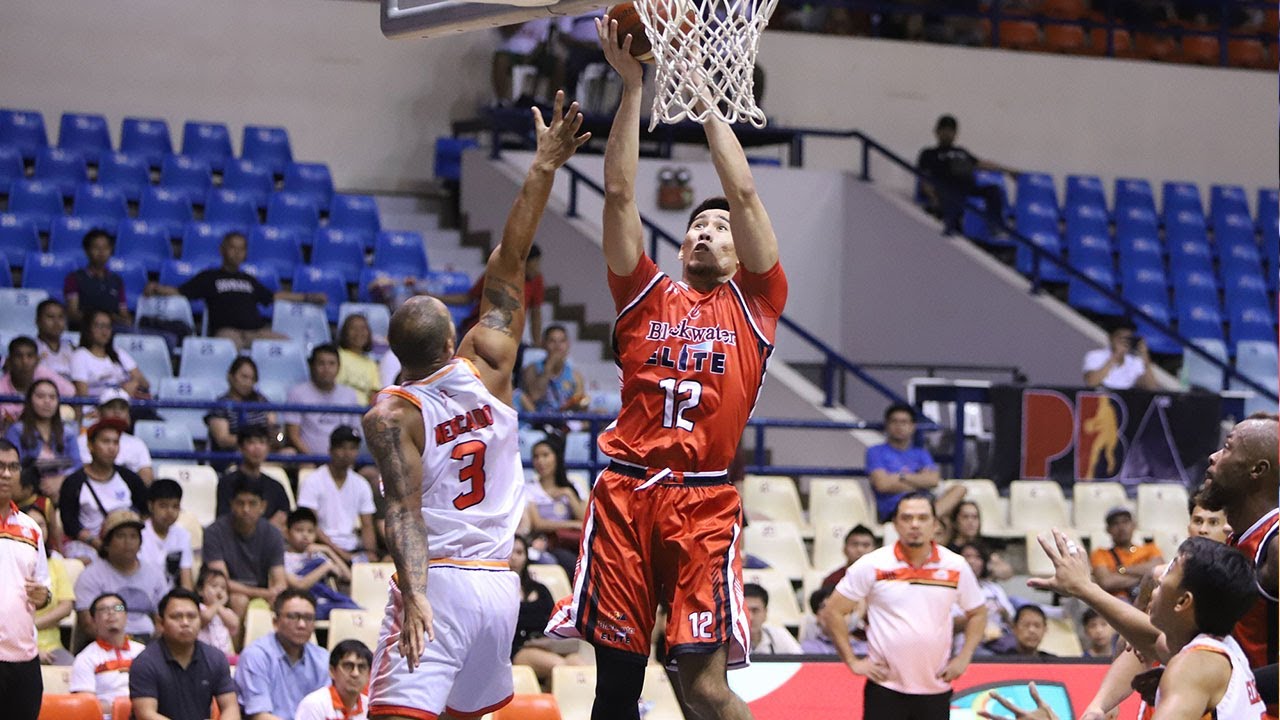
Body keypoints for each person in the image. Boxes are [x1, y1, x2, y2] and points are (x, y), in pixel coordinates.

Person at [544, 19, 787, 720]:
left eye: (716, 229)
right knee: (616, 688)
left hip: (702, 503)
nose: (704, 231)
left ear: (740, 253)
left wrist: (704, 95)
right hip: (626, 494)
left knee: (703, 688)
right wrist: (632, 89)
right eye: (694, 228)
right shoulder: (644, 294)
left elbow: (742, 196)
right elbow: (619, 196)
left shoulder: (757, 304)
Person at [361, 91, 587, 720]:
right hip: (499, 583)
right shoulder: (489, 364)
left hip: (444, 577)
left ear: (396, 353)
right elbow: (510, 259)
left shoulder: (391, 414)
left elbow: (403, 513)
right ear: (450, 338)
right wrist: (544, 166)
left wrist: (415, 594)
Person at [819, 492, 986, 719]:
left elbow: (977, 612)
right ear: (895, 524)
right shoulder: (872, 564)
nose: (914, 524)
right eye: (907, 518)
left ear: (935, 525)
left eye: (922, 518)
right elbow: (833, 611)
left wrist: (965, 656)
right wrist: (852, 661)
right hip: (885, 688)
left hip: (936, 687)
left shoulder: (956, 566)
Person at [146, 231, 325, 350]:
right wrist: (157, 288)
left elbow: (273, 296)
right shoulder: (209, 277)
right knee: (227, 348)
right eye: (233, 247)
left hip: (257, 332)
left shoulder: (248, 279)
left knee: (288, 346)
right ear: (222, 250)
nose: (237, 253)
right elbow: (181, 292)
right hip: (227, 332)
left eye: (242, 249)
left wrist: (307, 297)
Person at [0, 438, 52, 720]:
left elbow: (44, 587)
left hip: (23, 659)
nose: (6, 474)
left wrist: (44, 596)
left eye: (12, 466)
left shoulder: (31, 528)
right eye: (0, 466)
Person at [129, 587, 240, 720]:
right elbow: (146, 714)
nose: (185, 623)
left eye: (192, 616)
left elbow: (230, 707)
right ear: (161, 622)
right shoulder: (145, 662)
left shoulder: (215, 658)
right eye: (176, 617)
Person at [74, 509, 169, 642]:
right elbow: (88, 624)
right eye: (120, 536)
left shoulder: (155, 574)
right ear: (107, 543)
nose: (128, 542)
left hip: (149, 644)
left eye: (133, 536)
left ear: (140, 543)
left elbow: (164, 617)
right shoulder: (90, 576)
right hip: (106, 644)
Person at [59, 419, 148, 561]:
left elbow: (145, 510)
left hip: (126, 543)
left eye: (115, 442)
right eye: (106, 442)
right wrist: (98, 544)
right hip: (89, 546)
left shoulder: (129, 478)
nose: (112, 448)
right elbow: (70, 524)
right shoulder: (74, 482)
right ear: (90, 446)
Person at [235, 589, 330, 720]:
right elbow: (259, 716)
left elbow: (329, 710)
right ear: (275, 622)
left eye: (308, 618)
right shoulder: (256, 656)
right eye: (293, 617)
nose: (302, 624)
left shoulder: (323, 658)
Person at [203, 476, 288, 620]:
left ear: (263, 506)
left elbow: (279, 579)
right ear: (232, 505)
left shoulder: (273, 534)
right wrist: (264, 593)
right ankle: (237, 644)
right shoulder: (214, 532)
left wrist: (276, 592)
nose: (246, 509)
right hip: (226, 593)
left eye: (252, 504)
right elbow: (221, 582)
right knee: (239, 600)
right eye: (240, 503)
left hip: (263, 593)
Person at [916, 114, 1017, 233]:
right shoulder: (929, 153)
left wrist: (1007, 170)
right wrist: (933, 197)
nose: (947, 133)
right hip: (945, 188)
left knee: (993, 191)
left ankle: (996, 226)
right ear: (937, 132)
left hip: (966, 187)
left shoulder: (961, 151)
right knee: (952, 199)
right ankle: (953, 226)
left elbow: (981, 164)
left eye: (951, 130)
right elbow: (925, 177)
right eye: (944, 129)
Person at [867, 403, 965, 524]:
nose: (899, 426)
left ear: (913, 426)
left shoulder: (921, 453)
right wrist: (919, 481)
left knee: (959, 489)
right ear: (887, 425)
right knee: (945, 521)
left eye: (904, 422)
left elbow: (933, 480)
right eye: (894, 421)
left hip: (925, 504)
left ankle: (928, 520)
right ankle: (929, 522)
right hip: (895, 509)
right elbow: (882, 484)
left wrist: (901, 477)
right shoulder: (875, 452)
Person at [297, 426, 377, 563]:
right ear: (330, 450)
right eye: (342, 447)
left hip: (353, 547)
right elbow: (310, 524)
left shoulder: (361, 484)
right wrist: (340, 554)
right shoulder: (313, 480)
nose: (347, 453)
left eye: (352, 448)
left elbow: (367, 525)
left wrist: (370, 554)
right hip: (321, 548)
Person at [510, 534, 582, 687]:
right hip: (520, 647)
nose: (514, 558)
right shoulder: (499, 591)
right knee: (561, 667)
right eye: (510, 552)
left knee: (579, 665)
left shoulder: (540, 589)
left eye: (519, 553)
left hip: (547, 644)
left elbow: (554, 619)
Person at [70, 591, 146, 719]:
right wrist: (122, 708)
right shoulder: (86, 658)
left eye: (118, 608)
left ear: (126, 615)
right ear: (93, 620)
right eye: (103, 609)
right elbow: (86, 705)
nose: (111, 612)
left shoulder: (143, 652)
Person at [7, 378, 82, 500]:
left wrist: (61, 480)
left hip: (64, 491)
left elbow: (77, 465)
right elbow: (13, 467)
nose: (47, 401)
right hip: (28, 493)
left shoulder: (68, 432)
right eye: (40, 396)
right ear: (30, 400)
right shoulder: (16, 431)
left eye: (52, 397)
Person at [283, 345, 363, 457]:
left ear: (339, 367)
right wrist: (313, 460)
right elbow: (293, 435)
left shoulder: (350, 395)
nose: (327, 369)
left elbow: (355, 432)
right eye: (321, 363)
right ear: (312, 366)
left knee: (370, 473)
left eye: (331, 364)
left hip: (343, 462)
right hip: (307, 461)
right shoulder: (297, 393)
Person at [282, 508, 359, 620]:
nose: (305, 535)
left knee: (354, 610)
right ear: (287, 533)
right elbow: (299, 586)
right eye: (299, 530)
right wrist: (326, 567)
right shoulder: (283, 558)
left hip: (326, 602)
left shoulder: (317, 555)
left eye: (310, 531)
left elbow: (348, 577)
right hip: (303, 602)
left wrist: (328, 551)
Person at [215, 425, 290, 531]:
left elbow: (284, 516)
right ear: (241, 448)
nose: (257, 448)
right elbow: (224, 519)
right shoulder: (227, 483)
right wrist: (265, 530)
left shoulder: (276, 487)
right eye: (251, 442)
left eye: (262, 442)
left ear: (268, 448)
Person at [206, 357, 285, 455]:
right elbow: (223, 439)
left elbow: (273, 429)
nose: (248, 383)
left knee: (290, 454)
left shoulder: (261, 400)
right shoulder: (221, 404)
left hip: (263, 453)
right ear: (230, 376)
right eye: (244, 377)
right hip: (233, 456)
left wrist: (275, 436)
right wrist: (251, 442)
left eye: (252, 379)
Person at [26, 504, 74, 665]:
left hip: (52, 647)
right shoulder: (6, 563)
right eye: (31, 524)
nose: (38, 530)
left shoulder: (55, 562)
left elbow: (66, 607)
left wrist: (32, 626)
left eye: (41, 524)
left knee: (73, 672)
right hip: (11, 647)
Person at [76, 389, 154, 483]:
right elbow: (84, 473)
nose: (117, 412)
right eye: (111, 407)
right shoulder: (84, 441)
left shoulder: (137, 443)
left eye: (122, 408)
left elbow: (147, 478)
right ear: (99, 411)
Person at [71, 308, 150, 400]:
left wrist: (134, 383)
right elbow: (83, 396)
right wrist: (121, 391)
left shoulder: (119, 353)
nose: (105, 332)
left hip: (127, 406)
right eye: (100, 326)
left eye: (108, 327)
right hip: (98, 409)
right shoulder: (80, 356)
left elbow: (145, 383)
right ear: (88, 328)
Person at [1089, 505, 1164, 602]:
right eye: (1115, 524)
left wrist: (1121, 570)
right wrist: (1146, 577)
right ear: (1108, 530)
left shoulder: (1150, 548)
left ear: (1134, 525)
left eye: (1125, 522)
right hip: (1118, 602)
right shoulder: (1100, 554)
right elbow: (1106, 582)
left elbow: (1159, 569)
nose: (1121, 527)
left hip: (1149, 599)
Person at [954, 542, 1016, 656]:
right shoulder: (952, 590)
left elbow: (1012, 620)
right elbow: (951, 624)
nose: (972, 561)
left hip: (997, 641)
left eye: (977, 557)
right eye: (967, 557)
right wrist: (978, 615)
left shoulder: (994, 589)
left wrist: (1003, 612)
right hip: (968, 645)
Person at [64, 229, 132, 331]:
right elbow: (72, 313)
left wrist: (120, 320)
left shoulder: (117, 280)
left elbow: (124, 314)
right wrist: (98, 322)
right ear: (87, 251)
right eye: (96, 247)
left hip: (111, 333)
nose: (101, 252)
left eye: (105, 248)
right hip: (83, 332)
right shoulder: (74, 278)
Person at [522, 437, 586, 546]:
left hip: (572, 542)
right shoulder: (529, 488)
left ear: (557, 457)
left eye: (545, 455)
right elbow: (538, 524)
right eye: (536, 457)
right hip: (544, 543)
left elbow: (584, 519)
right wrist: (572, 525)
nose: (540, 461)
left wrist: (569, 494)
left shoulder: (574, 486)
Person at [0, 336, 74, 422]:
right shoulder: (1, 386)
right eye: (18, 356)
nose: (25, 361)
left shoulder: (44, 373)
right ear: (9, 361)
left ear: (37, 360)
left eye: (30, 356)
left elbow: (72, 394)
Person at [294, 639, 373, 720]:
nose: (355, 673)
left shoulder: (371, 708)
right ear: (332, 671)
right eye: (348, 666)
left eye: (362, 667)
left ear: (368, 674)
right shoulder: (314, 705)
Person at [519, 325, 589, 416]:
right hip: (537, 423)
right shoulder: (532, 369)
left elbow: (580, 405)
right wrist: (549, 367)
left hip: (564, 422)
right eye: (552, 341)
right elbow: (535, 395)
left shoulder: (575, 376)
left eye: (562, 341)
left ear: (568, 345)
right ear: (544, 344)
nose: (557, 346)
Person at [139, 479, 194, 590]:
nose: (170, 512)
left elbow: (186, 582)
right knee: (118, 608)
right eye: (163, 506)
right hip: (141, 596)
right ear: (150, 506)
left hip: (170, 600)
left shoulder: (183, 535)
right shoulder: (139, 534)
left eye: (175, 506)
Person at [1082, 320, 1159, 391]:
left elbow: (1152, 387)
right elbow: (1091, 382)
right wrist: (1115, 357)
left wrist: (1145, 356)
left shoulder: (1134, 361)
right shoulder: (1095, 356)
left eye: (1128, 339)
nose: (1124, 341)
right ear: (1111, 338)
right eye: (1121, 338)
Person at [743, 583, 802, 655]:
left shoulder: (779, 635)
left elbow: (801, 661)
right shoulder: (727, 641)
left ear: (765, 613)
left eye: (755, 610)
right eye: (745, 611)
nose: (751, 617)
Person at [336, 315, 381, 405]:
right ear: (345, 333)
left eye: (363, 328)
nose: (359, 332)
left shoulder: (371, 363)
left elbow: (374, 393)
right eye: (353, 328)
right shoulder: (337, 356)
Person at [195, 566, 238, 660]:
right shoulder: (199, 608)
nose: (219, 591)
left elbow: (234, 624)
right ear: (200, 590)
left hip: (224, 656)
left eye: (223, 588)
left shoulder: (225, 611)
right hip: (204, 657)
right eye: (214, 586)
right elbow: (205, 618)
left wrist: (219, 607)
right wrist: (217, 604)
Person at [984, 605, 1055, 659]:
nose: (1032, 630)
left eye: (1037, 626)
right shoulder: (1000, 661)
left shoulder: (1054, 662)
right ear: (1014, 628)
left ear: (1045, 629)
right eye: (1026, 625)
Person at [35, 299, 76, 387]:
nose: (56, 322)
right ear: (38, 321)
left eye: (60, 317)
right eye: (50, 317)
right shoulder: (31, 349)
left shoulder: (71, 349)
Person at [821, 525, 877, 589]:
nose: (860, 550)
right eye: (854, 544)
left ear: (875, 550)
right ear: (844, 549)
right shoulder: (833, 580)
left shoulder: (883, 579)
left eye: (866, 545)